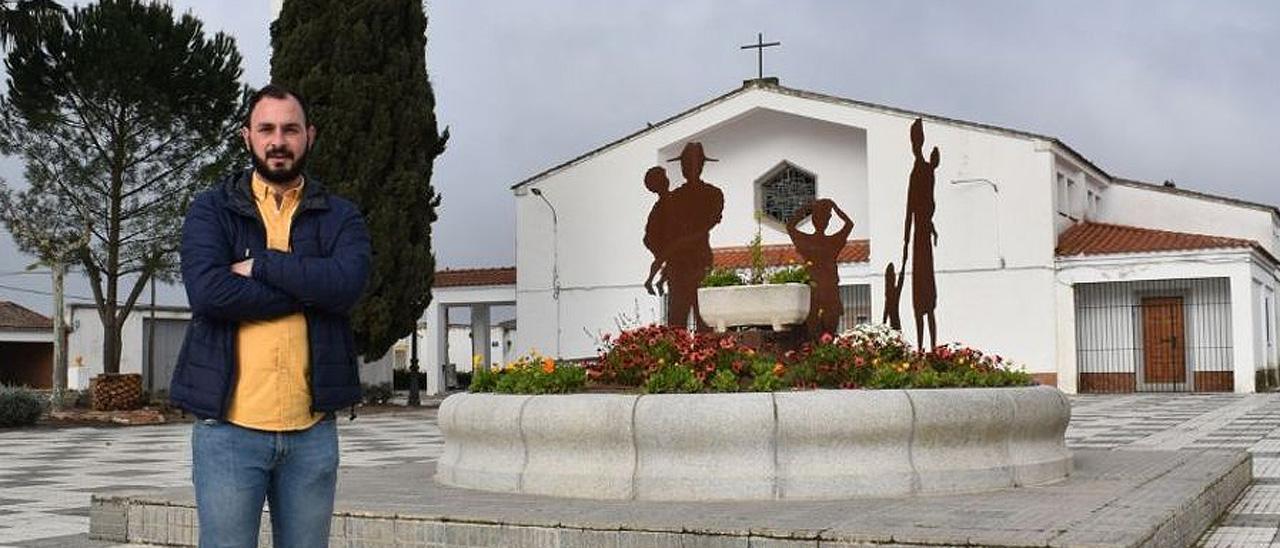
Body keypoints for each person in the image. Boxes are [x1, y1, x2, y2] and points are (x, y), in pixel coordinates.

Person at [170, 84, 371, 548]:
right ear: (247, 136)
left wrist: (262, 266)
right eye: (266, 129)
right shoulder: (211, 210)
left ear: (309, 135)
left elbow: (348, 285)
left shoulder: (340, 216)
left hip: (311, 433)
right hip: (228, 432)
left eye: (290, 129)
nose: (278, 141)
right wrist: (312, 288)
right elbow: (209, 294)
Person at [662, 142, 724, 331]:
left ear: (701, 166)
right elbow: (667, 231)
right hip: (677, 263)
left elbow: (706, 225)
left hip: (699, 261)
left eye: (693, 163)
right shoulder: (674, 198)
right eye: (685, 164)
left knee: (704, 318)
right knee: (676, 319)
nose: (688, 168)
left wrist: (684, 240)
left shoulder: (713, 194)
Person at [900, 117, 940, 351]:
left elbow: (926, 205)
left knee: (928, 298)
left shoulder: (924, 170)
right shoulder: (919, 171)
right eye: (914, 140)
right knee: (919, 298)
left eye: (917, 140)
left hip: (922, 235)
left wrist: (930, 226)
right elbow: (910, 210)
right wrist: (906, 241)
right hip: (918, 237)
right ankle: (922, 347)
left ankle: (932, 348)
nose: (915, 144)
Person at [787, 199, 854, 338]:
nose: (822, 221)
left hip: (823, 290)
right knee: (822, 332)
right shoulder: (832, 241)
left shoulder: (808, 241)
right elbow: (849, 224)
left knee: (821, 332)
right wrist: (835, 208)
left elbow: (790, 226)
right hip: (821, 290)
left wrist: (807, 209)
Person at [641, 166, 672, 296]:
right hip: (656, 239)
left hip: (661, 238)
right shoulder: (662, 204)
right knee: (666, 258)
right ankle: (651, 281)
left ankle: (659, 281)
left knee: (671, 260)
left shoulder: (668, 200)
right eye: (664, 178)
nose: (667, 180)